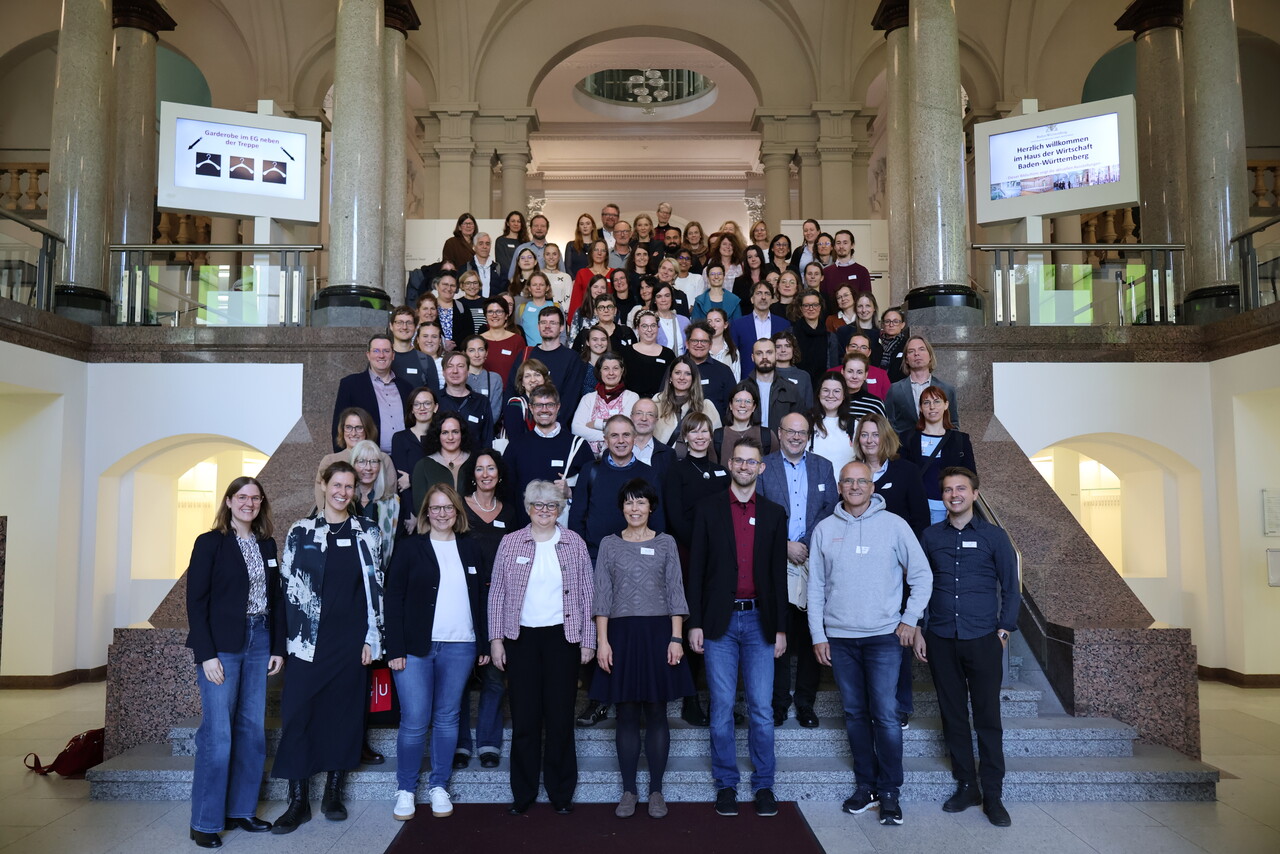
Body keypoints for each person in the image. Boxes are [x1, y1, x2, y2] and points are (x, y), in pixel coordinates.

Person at [807, 460, 932, 826]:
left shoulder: (895, 526)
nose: (856, 486)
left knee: (886, 715)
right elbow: (814, 588)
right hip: (841, 639)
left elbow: (922, 576)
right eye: (849, 481)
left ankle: (890, 790)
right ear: (840, 487)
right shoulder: (825, 530)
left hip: (883, 638)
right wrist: (818, 635)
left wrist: (910, 619)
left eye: (862, 481)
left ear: (873, 486)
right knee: (855, 715)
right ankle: (866, 787)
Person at [271, 462, 383, 834]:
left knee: (344, 715)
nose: (343, 492)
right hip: (306, 643)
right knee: (298, 715)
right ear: (323, 485)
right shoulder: (300, 531)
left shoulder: (368, 532)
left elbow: (375, 590)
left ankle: (333, 793)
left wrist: (372, 638)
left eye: (350, 486)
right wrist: (283, 645)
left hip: (350, 643)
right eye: (337, 484)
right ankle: (298, 801)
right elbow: (285, 592)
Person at [687, 436, 788, 818]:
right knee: (722, 707)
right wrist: (694, 623)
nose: (745, 467)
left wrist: (781, 628)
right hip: (719, 623)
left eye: (752, 462)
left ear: (761, 468)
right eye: (740, 461)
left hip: (761, 620)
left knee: (762, 709)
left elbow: (778, 576)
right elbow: (695, 570)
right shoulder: (708, 509)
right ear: (730, 464)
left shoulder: (775, 513)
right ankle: (726, 784)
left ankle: (764, 785)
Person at [915, 467, 1021, 828]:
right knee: (954, 716)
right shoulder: (929, 537)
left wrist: (1004, 632)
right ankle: (966, 786)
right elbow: (918, 586)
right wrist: (917, 628)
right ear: (942, 497)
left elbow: (1011, 588)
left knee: (988, 719)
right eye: (948, 490)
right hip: (942, 638)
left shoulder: (995, 537)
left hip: (983, 639)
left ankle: (993, 793)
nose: (954, 495)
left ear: (975, 494)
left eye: (961, 489)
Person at [185, 477, 285, 848]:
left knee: (251, 731)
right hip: (222, 646)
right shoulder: (210, 543)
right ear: (228, 501)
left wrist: (277, 646)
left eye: (256, 498)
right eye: (242, 497)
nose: (249, 503)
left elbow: (275, 598)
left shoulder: (267, 544)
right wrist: (206, 654)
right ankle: (205, 822)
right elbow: (196, 602)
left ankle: (241, 810)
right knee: (218, 734)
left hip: (260, 639)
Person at [489, 480, 597, 815]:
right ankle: (522, 794)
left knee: (560, 717)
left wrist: (588, 640)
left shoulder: (574, 543)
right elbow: (497, 594)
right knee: (525, 718)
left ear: (560, 508)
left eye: (551, 505)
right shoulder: (510, 542)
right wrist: (496, 639)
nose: (544, 511)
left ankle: (561, 793)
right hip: (520, 639)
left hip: (562, 639)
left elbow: (588, 595)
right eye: (538, 505)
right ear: (528, 507)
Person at [384, 484, 489, 821]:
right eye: (436, 508)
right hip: (414, 649)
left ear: (457, 512)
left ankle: (439, 785)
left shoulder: (470, 548)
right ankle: (405, 789)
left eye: (448, 508)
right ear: (427, 512)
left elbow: (481, 600)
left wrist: (484, 643)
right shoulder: (410, 548)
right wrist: (395, 647)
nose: (442, 513)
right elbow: (393, 598)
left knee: (447, 719)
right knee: (414, 720)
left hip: (460, 645)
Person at [591, 478, 694, 819]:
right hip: (620, 634)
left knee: (656, 713)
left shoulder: (666, 543)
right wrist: (602, 641)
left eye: (641, 502)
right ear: (621, 508)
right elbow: (602, 596)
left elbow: (676, 592)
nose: (634, 508)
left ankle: (656, 791)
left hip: (658, 634)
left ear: (651, 507)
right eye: (629, 503)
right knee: (626, 715)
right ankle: (628, 790)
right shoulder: (609, 544)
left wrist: (677, 638)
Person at [755, 412, 837, 729]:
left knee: (809, 635)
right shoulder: (765, 466)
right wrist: (786, 544)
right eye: (790, 431)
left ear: (808, 436)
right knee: (778, 633)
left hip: (812, 561)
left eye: (802, 432)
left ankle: (805, 703)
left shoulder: (823, 467)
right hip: (777, 561)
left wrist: (804, 542)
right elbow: (758, 510)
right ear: (780, 432)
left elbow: (831, 509)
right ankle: (778, 704)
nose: (796, 437)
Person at [454, 451, 517, 770]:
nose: (485, 473)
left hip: (501, 604)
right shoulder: (459, 508)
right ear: (472, 474)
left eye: (491, 468)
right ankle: (461, 744)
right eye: (479, 469)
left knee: (495, 674)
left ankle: (489, 743)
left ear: (499, 473)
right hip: (464, 601)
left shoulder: (512, 512)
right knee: (461, 676)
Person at [569, 414, 665, 561]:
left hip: (637, 558)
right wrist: (583, 553)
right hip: (597, 557)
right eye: (614, 435)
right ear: (606, 439)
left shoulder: (649, 474)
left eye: (626, 435)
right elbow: (577, 517)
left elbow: (657, 520)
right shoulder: (590, 471)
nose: (621, 441)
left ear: (634, 438)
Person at [502, 384, 593, 527]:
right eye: (539, 405)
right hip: (524, 529)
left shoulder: (578, 445)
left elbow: (592, 490)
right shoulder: (516, 445)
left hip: (564, 532)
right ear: (531, 408)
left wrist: (570, 491)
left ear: (558, 407)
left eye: (549, 405)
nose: (544, 410)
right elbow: (507, 491)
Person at [899, 386, 975, 524]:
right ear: (921, 408)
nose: (932, 407)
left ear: (946, 405)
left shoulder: (960, 439)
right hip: (914, 508)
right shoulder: (907, 438)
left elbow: (970, 475)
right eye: (926, 403)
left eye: (937, 401)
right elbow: (901, 474)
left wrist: (959, 504)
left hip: (948, 509)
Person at [333, 334, 413, 453]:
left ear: (393, 355)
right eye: (376, 351)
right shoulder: (351, 385)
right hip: (365, 460)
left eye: (386, 351)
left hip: (403, 459)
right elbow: (338, 426)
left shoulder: (406, 387)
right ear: (368, 355)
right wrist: (344, 461)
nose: (381, 355)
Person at [506, 305, 586, 423]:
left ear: (561, 327)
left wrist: (550, 426)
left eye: (553, 323)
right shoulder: (526, 354)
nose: (547, 326)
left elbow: (570, 399)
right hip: (524, 424)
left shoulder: (572, 358)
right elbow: (511, 390)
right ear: (538, 326)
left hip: (557, 426)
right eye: (543, 322)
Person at [885, 336, 961, 436]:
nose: (917, 354)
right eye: (911, 351)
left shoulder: (947, 389)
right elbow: (890, 424)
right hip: (905, 448)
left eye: (921, 349)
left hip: (938, 447)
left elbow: (953, 424)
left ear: (930, 356)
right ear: (906, 359)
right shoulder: (894, 389)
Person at [572, 352, 638, 457]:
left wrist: (595, 424)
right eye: (606, 368)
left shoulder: (632, 397)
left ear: (622, 371)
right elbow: (576, 429)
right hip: (587, 457)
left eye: (615, 368)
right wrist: (612, 435)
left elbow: (625, 427)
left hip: (619, 458)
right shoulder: (588, 398)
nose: (611, 373)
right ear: (600, 372)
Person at [348, 439, 401, 569]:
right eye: (361, 461)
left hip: (384, 575)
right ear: (352, 465)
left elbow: (398, 550)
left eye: (373, 462)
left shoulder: (393, 503)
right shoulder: (344, 501)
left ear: (380, 466)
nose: (368, 468)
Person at [391, 387, 435, 528]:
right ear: (411, 409)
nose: (422, 408)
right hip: (409, 509)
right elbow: (402, 482)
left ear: (436, 407)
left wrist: (412, 479)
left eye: (427, 403)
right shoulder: (400, 438)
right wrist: (412, 513)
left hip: (438, 509)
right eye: (417, 404)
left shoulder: (443, 437)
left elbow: (440, 476)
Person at [411, 412, 473, 513]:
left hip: (472, 526)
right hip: (437, 526)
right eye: (445, 432)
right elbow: (420, 508)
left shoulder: (475, 462)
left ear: (462, 434)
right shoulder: (423, 465)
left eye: (455, 432)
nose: (450, 437)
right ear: (437, 435)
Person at [652, 355, 721, 444]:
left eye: (687, 373)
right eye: (677, 373)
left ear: (693, 378)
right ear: (670, 377)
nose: (682, 377)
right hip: (662, 456)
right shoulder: (657, 403)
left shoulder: (706, 406)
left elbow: (715, 442)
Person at [729, 282, 790, 376]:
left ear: (772, 299)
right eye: (759, 293)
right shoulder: (737, 325)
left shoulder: (783, 324)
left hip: (778, 380)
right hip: (747, 380)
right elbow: (733, 357)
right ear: (752, 299)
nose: (763, 297)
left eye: (767, 293)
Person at [746, 338, 805, 433]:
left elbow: (799, 423)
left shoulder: (790, 389)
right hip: (750, 444)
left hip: (780, 444)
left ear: (776, 355)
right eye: (759, 353)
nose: (764, 357)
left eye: (769, 352)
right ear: (752, 357)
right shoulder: (743, 388)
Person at [683, 320, 736, 420]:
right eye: (695, 341)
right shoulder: (676, 368)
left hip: (715, 431)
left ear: (710, 345)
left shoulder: (723, 371)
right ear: (687, 344)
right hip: (680, 432)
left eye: (704, 341)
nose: (699, 345)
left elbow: (731, 405)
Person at [714, 380, 774, 460]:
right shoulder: (717, 436)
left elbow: (774, 468)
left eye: (748, 401)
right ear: (730, 405)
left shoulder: (767, 436)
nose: (742, 405)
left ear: (754, 407)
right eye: (738, 401)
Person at [791, 288, 838, 389]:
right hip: (795, 389)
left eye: (815, 305)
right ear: (801, 308)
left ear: (820, 307)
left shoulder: (830, 337)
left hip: (823, 390)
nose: (811, 308)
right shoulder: (791, 334)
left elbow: (833, 368)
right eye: (806, 305)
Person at [623, 311, 676, 399]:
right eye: (644, 326)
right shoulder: (626, 352)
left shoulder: (668, 354)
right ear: (637, 328)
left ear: (658, 328)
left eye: (653, 325)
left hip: (661, 403)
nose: (649, 330)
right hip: (632, 402)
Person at [808, 376, 855, 472]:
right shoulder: (806, 422)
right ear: (818, 394)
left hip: (846, 485)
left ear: (844, 395)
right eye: (826, 390)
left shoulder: (854, 425)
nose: (830, 395)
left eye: (836, 391)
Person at [501, 357, 551, 442]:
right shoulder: (515, 405)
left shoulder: (551, 404)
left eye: (537, 375)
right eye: (527, 376)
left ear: (544, 379)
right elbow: (515, 441)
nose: (533, 380)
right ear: (522, 382)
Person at [820, 230, 872, 309]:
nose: (841, 246)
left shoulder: (862, 271)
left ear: (852, 245)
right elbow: (823, 301)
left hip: (856, 318)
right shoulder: (826, 272)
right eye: (838, 243)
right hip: (833, 318)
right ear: (834, 246)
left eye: (845, 243)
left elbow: (866, 299)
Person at [479, 297, 526, 385]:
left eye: (499, 311)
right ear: (485, 316)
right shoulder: (478, 341)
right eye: (490, 312)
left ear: (506, 315)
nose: (494, 315)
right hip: (482, 393)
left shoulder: (517, 340)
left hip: (509, 392)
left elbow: (522, 370)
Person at [628, 396, 676, 481]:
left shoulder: (668, 454)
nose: (644, 418)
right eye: (639, 413)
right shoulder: (617, 449)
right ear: (631, 417)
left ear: (656, 420)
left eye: (650, 414)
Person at [463, 335, 505, 424]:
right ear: (464, 353)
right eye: (472, 350)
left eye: (481, 349)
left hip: (487, 431)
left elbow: (494, 412)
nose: (477, 355)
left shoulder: (495, 379)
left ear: (486, 353)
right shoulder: (458, 377)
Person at [840, 352, 888, 427]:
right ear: (842, 372)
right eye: (850, 371)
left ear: (865, 375)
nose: (854, 376)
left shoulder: (875, 404)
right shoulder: (833, 400)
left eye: (859, 372)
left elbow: (884, 435)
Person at [568, 238, 612, 319]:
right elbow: (576, 300)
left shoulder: (613, 273)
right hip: (586, 318)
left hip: (608, 318)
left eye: (603, 250)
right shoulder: (582, 273)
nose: (599, 253)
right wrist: (573, 321)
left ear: (606, 254)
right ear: (591, 253)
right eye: (596, 250)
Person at [392, 321, 443, 391]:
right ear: (418, 339)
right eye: (425, 336)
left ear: (440, 340)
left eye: (434, 337)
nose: (429, 340)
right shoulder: (407, 361)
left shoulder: (449, 364)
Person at [514, 269, 556, 344]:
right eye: (534, 285)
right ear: (529, 288)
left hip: (553, 352)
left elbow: (563, 335)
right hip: (530, 353)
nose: (538, 288)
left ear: (547, 287)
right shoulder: (521, 308)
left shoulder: (556, 307)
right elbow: (518, 335)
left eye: (541, 285)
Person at [567, 274, 608, 346]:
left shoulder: (611, 311)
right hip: (584, 354)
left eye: (603, 287)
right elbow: (572, 339)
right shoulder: (580, 311)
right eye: (595, 287)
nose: (599, 291)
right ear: (590, 289)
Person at [467, 232, 508, 298]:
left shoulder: (499, 269)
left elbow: (504, 292)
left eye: (487, 244)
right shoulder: (466, 268)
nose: (484, 247)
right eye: (481, 243)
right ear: (474, 246)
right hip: (472, 307)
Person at [508, 214, 550, 278]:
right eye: (536, 226)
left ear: (547, 229)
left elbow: (562, 274)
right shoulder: (521, 248)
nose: (539, 228)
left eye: (543, 226)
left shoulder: (553, 250)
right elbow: (511, 276)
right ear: (530, 228)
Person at [652, 282, 689, 355]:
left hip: (682, 364)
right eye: (659, 296)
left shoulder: (684, 321)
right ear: (654, 300)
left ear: (672, 298)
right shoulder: (650, 321)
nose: (663, 300)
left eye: (667, 295)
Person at [706, 307, 741, 380]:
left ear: (725, 325)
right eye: (709, 321)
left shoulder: (733, 351)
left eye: (717, 321)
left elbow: (736, 380)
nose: (713, 325)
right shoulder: (700, 349)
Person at [877, 309, 910, 383]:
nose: (891, 325)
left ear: (902, 325)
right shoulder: (876, 344)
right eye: (887, 321)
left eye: (895, 322)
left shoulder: (907, 345)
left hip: (900, 387)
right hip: (877, 387)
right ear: (882, 324)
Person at [576, 326, 612, 393]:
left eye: (603, 339)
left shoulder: (613, 365)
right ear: (587, 342)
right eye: (595, 339)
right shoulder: (579, 365)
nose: (599, 343)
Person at [565, 212, 599, 279]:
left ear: (593, 227)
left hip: (595, 283)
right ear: (578, 228)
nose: (585, 226)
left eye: (588, 223)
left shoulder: (598, 245)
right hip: (576, 282)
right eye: (582, 224)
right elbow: (568, 267)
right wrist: (574, 281)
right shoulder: (571, 245)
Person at [495, 210, 529, 276]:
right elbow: (502, 263)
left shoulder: (526, 242)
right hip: (507, 279)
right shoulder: (501, 241)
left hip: (525, 278)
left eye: (518, 221)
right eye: (513, 221)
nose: (516, 224)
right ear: (508, 223)